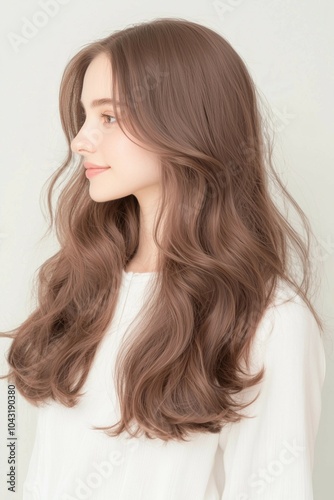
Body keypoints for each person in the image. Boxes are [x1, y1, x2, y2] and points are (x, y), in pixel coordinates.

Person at [0, 17, 326, 500]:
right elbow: (29, 473)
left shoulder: (269, 321)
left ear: (184, 124)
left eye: (108, 117)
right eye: (85, 117)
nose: (80, 140)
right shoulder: (80, 285)